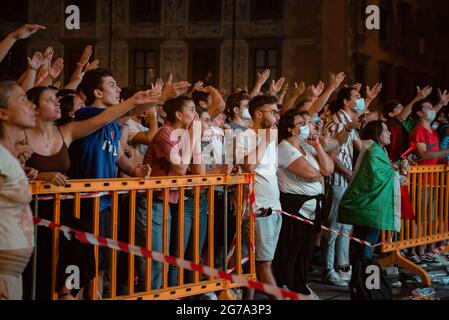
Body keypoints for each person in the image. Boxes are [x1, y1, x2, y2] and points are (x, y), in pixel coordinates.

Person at [274, 110, 333, 297]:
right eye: (302, 124)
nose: (307, 127)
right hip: (294, 205)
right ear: (291, 129)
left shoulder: (306, 148)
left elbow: (328, 169)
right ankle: (287, 286)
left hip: (312, 207)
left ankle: (300, 285)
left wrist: (317, 145)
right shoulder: (284, 148)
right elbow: (311, 174)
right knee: (292, 249)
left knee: (306, 251)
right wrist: (320, 173)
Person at [240, 95, 281, 300]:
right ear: (258, 114)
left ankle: (247, 301)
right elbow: (249, 166)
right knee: (263, 263)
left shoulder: (270, 137)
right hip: (258, 208)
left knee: (260, 261)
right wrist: (266, 139)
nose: (277, 115)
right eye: (273, 111)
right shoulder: (244, 136)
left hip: (274, 206)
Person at [338, 121, 395, 265]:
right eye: (386, 130)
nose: (390, 133)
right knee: (366, 250)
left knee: (361, 247)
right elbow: (378, 177)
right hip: (371, 206)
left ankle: (359, 282)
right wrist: (396, 173)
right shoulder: (373, 151)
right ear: (377, 134)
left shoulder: (377, 149)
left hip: (369, 204)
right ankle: (367, 283)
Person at [0, 80, 36, 300]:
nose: (32, 105)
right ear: (3, 113)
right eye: (23, 99)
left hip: (11, 271)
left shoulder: (7, 156)